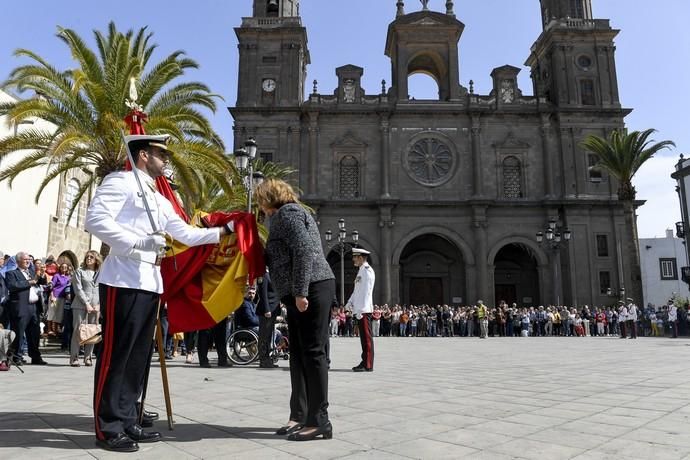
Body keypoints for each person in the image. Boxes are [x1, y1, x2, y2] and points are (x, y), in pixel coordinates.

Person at [85, 134, 234, 452]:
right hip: (122, 279)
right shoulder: (120, 182)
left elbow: (185, 233)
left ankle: (127, 419)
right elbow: (95, 220)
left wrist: (225, 231)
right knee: (116, 356)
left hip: (150, 281)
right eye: (159, 154)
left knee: (138, 357)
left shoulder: (159, 198)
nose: (165, 160)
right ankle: (107, 427)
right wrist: (137, 242)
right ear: (142, 155)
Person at [254, 178, 335, 442]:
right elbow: (283, 255)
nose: (260, 207)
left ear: (269, 198)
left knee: (313, 353)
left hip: (310, 287)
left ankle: (319, 420)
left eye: (261, 201)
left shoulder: (287, 215)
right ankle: (299, 415)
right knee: (299, 354)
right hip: (304, 287)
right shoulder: (290, 215)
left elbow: (303, 251)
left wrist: (300, 291)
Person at [5, 251, 48, 365]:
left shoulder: (32, 272)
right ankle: (16, 356)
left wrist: (42, 275)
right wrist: (30, 282)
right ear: (19, 261)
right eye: (25, 259)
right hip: (21, 307)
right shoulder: (12, 273)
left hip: (34, 306)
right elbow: (13, 286)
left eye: (29, 259)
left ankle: (35, 356)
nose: (28, 261)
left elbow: (41, 282)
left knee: (34, 333)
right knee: (19, 333)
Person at [345, 247, 375, 372]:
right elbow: (357, 291)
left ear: (361, 258)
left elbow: (366, 293)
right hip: (360, 310)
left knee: (367, 338)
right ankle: (364, 361)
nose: (353, 259)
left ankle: (368, 364)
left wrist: (361, 310)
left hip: (364, 310)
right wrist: (349, 303)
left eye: (355, 257)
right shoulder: (361, 271)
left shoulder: (367, 271)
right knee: (363, 338)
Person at [70, 251, 101, 367]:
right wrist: (86, 303)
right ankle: (74, 357)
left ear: (96, 259)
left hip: (95, 306)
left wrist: (99, 304)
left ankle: (88, 357)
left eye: (91, 257)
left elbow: (103, 289)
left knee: (92, 331)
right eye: (87, 256)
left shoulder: (100, 273)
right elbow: (78, 289)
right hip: (80, 305)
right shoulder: (80, 272)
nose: (89, 258)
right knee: (78, 330)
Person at [256, 271, 281, 368]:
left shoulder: (273, 274)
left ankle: (268, 359)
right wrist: (267, 309)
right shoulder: (264, 275)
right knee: (264, 336)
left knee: (269, 336)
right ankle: (263, 359)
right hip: (267, 310)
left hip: (273, 309)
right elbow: (263, 293)